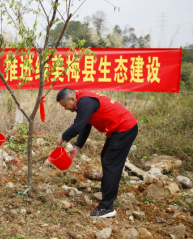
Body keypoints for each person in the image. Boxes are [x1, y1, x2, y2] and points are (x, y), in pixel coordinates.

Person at [55, 88, 138, 218]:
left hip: (124, 127)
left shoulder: (85, 101)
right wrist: (77, 147)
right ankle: (106, 191)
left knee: (111, 163)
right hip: (117, 129)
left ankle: (107, 207)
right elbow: (85, 126)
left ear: (72, 99)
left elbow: (78, 125)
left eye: (65, 105)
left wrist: (63, 137)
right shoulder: (82, 102)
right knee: (106, 157)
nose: (65, 109)